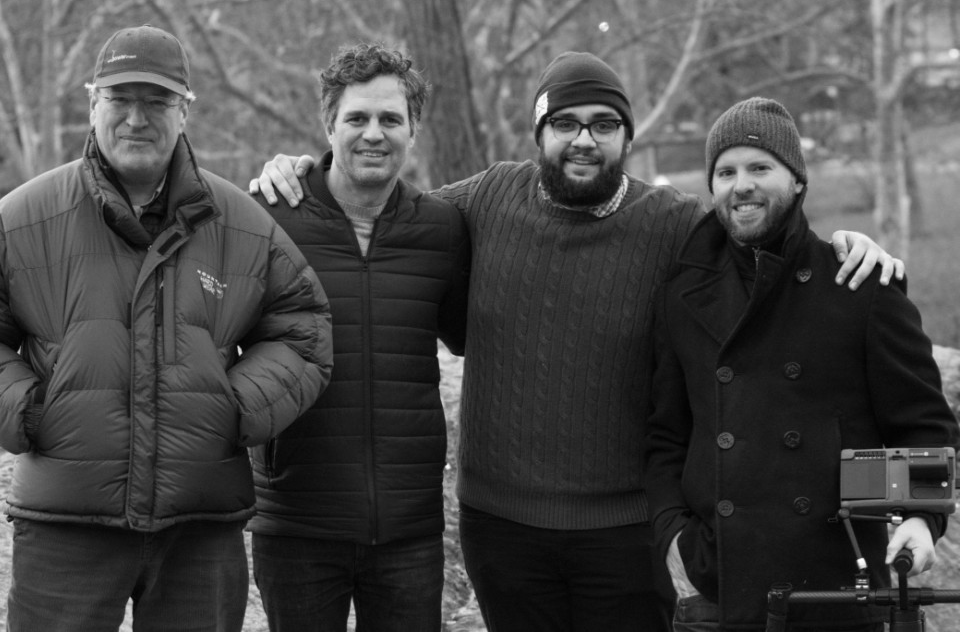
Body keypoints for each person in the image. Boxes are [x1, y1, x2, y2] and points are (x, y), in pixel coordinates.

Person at [250, 52, 902, 632]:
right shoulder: (481, 201)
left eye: (603, 124)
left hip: (623, 531)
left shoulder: (673, 224)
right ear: (540, 133)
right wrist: (299, 172)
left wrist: (847, 246)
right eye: (564, 123)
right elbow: (379, 201)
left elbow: (761, 237)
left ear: (625, 136)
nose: (583, 140)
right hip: (499, 528)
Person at [0, 25, 333, 632]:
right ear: (92, 104)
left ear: (185, 111)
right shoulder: (23, 218)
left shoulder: (243, 225)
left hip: (200, 528)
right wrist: (30, 411)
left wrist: (236, 409)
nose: (136, 119)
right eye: (120, 100)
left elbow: (303, 329)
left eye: (157, 102)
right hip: (64, 523)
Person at [645, 97, 960, 631]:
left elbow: (925, 423)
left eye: (760, 167)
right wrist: (676, 539)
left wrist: (922, 519)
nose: (740, 185)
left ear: (797, 181)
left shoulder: (859, 286)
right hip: (718, 588)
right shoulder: (683, 296)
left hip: (836, 587)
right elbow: (664, 437)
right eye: (725, 172)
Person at [247, 43, 469, 632]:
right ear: (329, 125)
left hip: (408, 532)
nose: (374, 134)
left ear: (413, 129)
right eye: (357, 118)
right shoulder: (269, 219)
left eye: (390, 119)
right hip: (296, 524)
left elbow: (471, 334)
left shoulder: (441, 230)